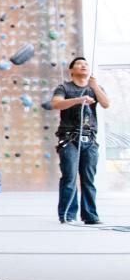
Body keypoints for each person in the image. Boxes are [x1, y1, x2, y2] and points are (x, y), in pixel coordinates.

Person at [51, 57, 110, 224]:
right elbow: (56, 104)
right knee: (69, 177)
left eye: (85, 64)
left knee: (89, 179)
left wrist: (95, 86)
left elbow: (106, 103)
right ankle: (68, 215)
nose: (83, 66)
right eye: (79, 64)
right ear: (71, 70)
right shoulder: (65, 87)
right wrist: (79, 100)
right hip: (70, 138)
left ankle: (90, 215)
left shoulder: (94, 89)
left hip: (89, 139)